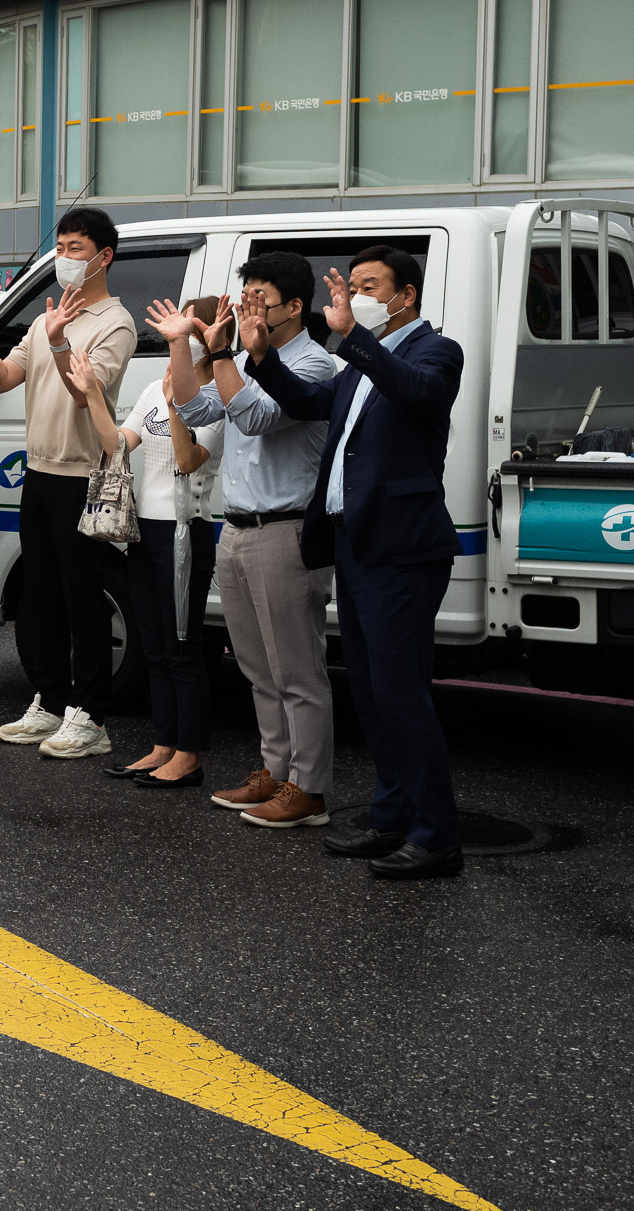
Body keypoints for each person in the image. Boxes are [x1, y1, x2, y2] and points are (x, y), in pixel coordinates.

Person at [240, 246, 466, 881]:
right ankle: (391, 817)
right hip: (353, 544)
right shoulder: (360, 363)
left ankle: (436, 835)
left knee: (402, 693)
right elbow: (307, 401)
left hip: (403, 550)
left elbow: (416, 390)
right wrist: (259, 353)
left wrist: (354, 337)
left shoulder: (432, 353)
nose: (354, 296)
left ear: (407, 297)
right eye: (351, 286)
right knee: (369, 690)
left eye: (369, 286)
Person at [0, 208, 136, 757]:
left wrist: (58, 343)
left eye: (76, 248)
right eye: (61, 247)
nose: (64, 258)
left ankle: (90, 716)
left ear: (103, 256)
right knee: (41, 599)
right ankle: (50, 701)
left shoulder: (115, 322)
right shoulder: (45, 316)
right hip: (40, 473)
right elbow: (4, 376)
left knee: (85, 599)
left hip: (82, 476)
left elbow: (87, 394)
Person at [168, 256, 339, 831]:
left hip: (286, 529)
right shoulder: (239, 356)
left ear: (294, 307)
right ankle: (274, 770)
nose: (246, 308)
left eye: (259, 298)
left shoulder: (316, 363)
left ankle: (308, 789)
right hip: (237, 528)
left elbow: (258, 417)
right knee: (258, 669)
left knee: (297, 670)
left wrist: (222, 355)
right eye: (244, 296)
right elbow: (194, 410)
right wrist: (184, 346)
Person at [70, 340, 222, 787]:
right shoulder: (156, 388)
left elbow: (187, 460)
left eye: (185, 333)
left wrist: (177, 407)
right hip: (145, 531)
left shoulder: (215, 397)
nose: (176, 343)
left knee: (182, 648)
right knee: (154, 647)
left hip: (185, 532)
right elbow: (117, 446)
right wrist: (94, 395)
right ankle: (163, 745)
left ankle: (189, 755)